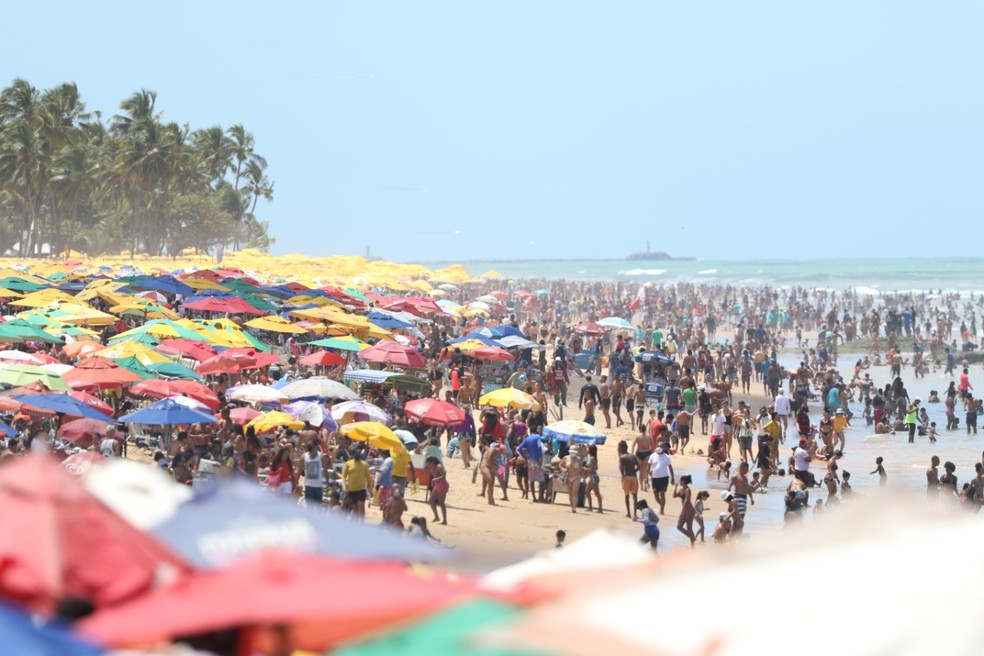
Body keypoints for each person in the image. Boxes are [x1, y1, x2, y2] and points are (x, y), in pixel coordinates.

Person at [342, 449, 372, 518]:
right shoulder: (348, 463)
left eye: (359, 455)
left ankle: (361, 523)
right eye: (356, 455)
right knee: (355, 508)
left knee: (361, 504)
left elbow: (368, 477)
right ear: (353, 455)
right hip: (351, 489)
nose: (358, 456)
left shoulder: (364, 464)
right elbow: (344, 475)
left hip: (361, 488)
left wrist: (370, 488)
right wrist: (344, 486)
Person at [648, 445, 675, 514]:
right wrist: (646, 478)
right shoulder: (652, 456)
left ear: (663, 449)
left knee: (662, 494)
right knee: (656, 497)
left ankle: (662, 510)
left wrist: (672, 478)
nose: (659, 448)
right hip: (654, 478)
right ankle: (662, 505)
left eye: (661, 446)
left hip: (664, 478)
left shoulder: (666, 456)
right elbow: (648, 468)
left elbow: (670, 468)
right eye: (658, 446)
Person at [728, 460, 755, 527]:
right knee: (738, 518)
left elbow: (747, 489)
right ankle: (735, 532)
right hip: (738, 498)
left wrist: (751, 498)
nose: (747, 470)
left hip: (744, 499)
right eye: (747, 468)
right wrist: (730, 501)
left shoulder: (745, 478)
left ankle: (737, 532)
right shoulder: (736, 476)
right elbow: (729, 486)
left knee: (741, 517)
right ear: (742, 467)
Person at [617, 440, 640, 518]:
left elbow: (620, 467)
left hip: (626, 477)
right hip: (634, 477)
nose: (618, 449)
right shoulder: (633, 456)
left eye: (619, 447)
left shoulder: (622, 457)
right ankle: (635, 514)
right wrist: (634, 471)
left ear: (623, 448)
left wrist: (623, 475)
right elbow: (639, 466)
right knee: (635, 496)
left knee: (627, 496)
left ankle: (628, 513)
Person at [673, 474, 697, 546]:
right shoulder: (681, 489)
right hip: (684, 509)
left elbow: (686, 501)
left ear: (683, 481)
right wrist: (676, 487)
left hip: (689, 510)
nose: (679, 482)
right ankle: (692, 538)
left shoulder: (687, 490)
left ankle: (692, 545)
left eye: (680, 481)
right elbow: (674, 496)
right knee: (679, 527)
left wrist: (682, 511)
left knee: (689, 528)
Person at [560, 445, 584, 513]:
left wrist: (582, 476)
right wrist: (563, 469)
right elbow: (560, 465)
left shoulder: (579, 459)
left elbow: (581, 469)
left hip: (576, 477)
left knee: (575, 492)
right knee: (570, 493)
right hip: (568, 477)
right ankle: (572, 507)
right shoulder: (566, 458)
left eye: (574, 452)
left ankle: (574, 508)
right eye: (571, 452)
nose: (572, 454)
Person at [425, 456, 449, 525]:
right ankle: (436, 517)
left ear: (432, 462)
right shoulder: (432, 467)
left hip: (442, 485)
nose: (427, 464)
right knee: (431, 501)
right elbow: (424, 472)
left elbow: (443, 476)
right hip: (437, 485)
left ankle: (445, 520)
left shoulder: (439, 466)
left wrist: (434, 479)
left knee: (441, 503)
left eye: (428, 463)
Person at [303, 440, 325, 506]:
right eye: (309, 450)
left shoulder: (321, 456)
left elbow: (326, 469)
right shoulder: (304, 456)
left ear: (316, 447)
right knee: (310, 506)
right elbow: (300, 467)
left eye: (312, 449)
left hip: (318, 486)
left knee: (319, 506)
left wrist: (326, 480)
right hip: (308, 485)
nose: (311, 452)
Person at [584, 444, 603, 513]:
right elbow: (596, 468)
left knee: (597, 493)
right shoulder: (593, 458)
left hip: (593, 477)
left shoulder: (592, 458)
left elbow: (592, 469)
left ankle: (600, 508)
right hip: (593, 477)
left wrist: (584, 469)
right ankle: (590, 507)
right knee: (587, 491)